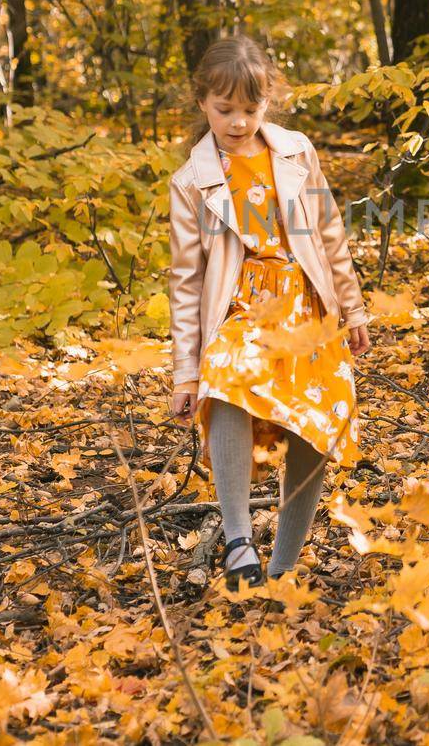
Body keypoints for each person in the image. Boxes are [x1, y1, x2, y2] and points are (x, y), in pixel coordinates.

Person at [167, 37, 372, 590]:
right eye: (224, 109)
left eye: (249, 110)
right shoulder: (192, 182)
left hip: (306, 305)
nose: (237, 122)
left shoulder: (296, 153)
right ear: (202, 103)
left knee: (317, 416)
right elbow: (185, 282)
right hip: (240, 307)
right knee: (228, 380)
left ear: (267, 104)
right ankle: (237, 542)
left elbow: (328, 233)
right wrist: (186, 371)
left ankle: (282, 566)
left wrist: (352, 310)